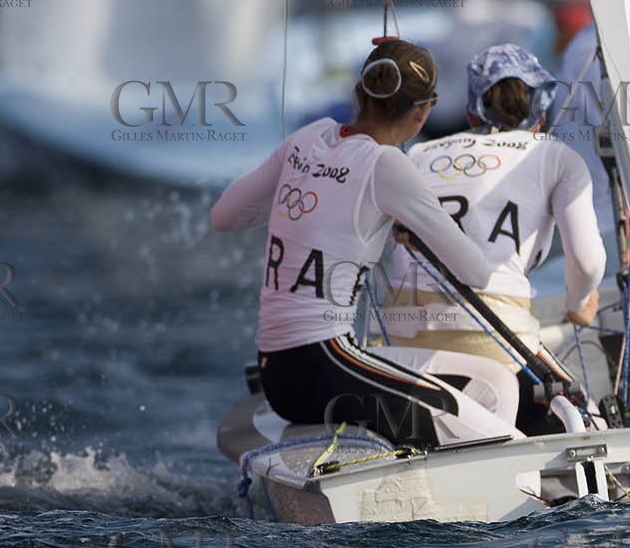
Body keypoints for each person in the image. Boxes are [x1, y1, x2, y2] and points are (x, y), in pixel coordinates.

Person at [210, 38, 521, 447]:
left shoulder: (308, 138)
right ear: (423, 111)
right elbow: (475, 272)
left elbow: (224, 217)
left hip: (278, 373)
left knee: (495, 383)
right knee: (496, 441)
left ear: (358, 94)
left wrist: (315, 208)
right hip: (323, 366)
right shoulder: (388, 164)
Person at [383, 44, 606, 431]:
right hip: (497, 343)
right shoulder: (557, 156)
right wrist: (578, 302)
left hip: (403, 347)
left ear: (471, 112)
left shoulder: (418, 154)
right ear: (543, 107)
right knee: (592, 428)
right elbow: (587, 263)